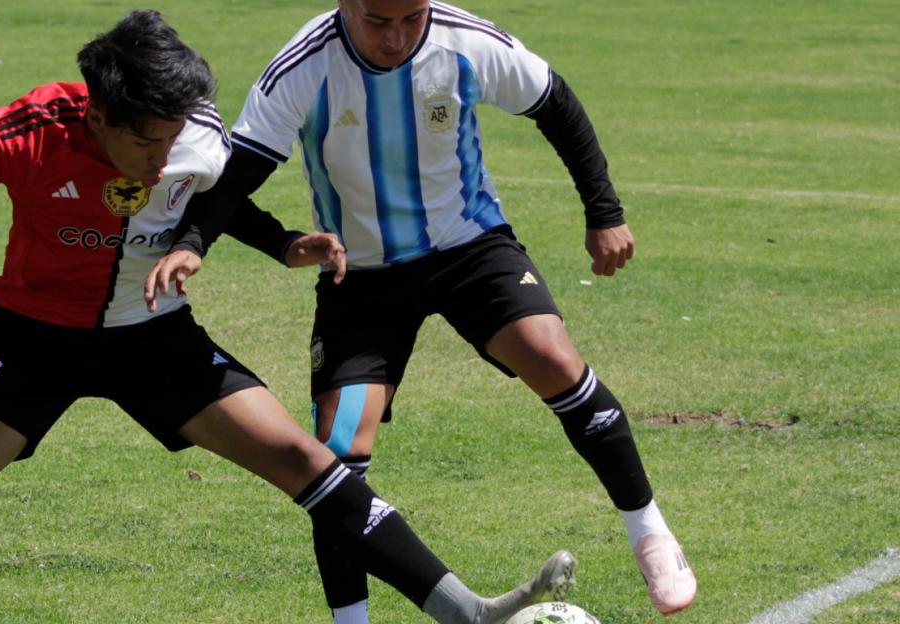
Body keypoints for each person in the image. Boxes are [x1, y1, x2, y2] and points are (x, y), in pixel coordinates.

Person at [0, 11, 574, 624]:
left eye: (174, 140)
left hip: (154, 337)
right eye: (148, 143)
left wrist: (285, 245)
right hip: (32, 341)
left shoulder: (192, 133)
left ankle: (463, 609)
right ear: (99, 118)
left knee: (305, 459)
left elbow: (223, 197)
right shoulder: (34, 129)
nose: (167, 160)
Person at [146, 0, 697, 620]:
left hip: (469, 248)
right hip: (362, 276)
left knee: (552, 357)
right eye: (378, 21)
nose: (397, 37)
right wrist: (192, 244)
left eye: (410, 18)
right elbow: (241, 171)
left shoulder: (465, 42)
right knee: (337, 456)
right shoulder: (303, 66)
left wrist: (605, 213)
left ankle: (650, 532)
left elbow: (556, 102)